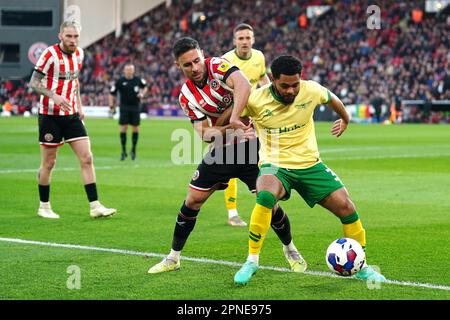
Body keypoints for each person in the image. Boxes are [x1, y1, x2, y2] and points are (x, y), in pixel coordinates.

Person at [147, 38, 306, 274]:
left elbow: (243, 85)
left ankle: (290, 250)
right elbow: (205, 134)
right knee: (192, 200)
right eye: (187, 65)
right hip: (221, 150)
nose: (195, 67)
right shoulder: (186, 96)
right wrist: (231, 123)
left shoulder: (217, 66)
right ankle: (173, 258)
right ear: (178, 66)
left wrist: (229, 119)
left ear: (202, 55)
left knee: (268, 203)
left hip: (253, 147)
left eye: (197, 60)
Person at [230, 55, 386, 285]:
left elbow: (332, 99)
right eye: (285, 86)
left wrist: (345, 118)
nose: (292, 90)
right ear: (272, 80)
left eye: (295, 84)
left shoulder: (311, 90)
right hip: (275, 163)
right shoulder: (256, 100)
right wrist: (239, 126)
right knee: (264, 195)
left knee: (347, 207)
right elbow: (236, 119)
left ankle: (361, 267)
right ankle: (252, 260)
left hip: (310, 164)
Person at [29, 20, 116, 219]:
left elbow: (74, 81)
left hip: (71, 115)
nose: (73, 40)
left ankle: (95, 206)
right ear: (60, 36)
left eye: (76, 36)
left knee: (87, 158)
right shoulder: (50, 55)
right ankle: (44, 206)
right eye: (69, 36)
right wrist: (54, 96)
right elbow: (33, 83)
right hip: (50, 116)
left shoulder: (80, 54)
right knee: (49, 163)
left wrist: (80, 105)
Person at [220, 23, 271, 227]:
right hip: (231, 117)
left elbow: (262, 79)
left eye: (248, 38)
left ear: (253, 39)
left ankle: (263, 201)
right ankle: (232, 213)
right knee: (232, 162)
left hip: (252, 117)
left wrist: (271, 96)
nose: (244, 42)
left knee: (257, 159)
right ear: (234, 41)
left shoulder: (259, 57)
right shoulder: (226, 60)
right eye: (240, 38)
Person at [109, 63, 147, 161]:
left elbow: (145, 87)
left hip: (135, 107)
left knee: (135, 129)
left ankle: (133, 150)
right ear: (124, 71)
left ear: (133, 71)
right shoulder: (120, 81)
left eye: (131, 69)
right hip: (124, 107)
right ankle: (123, 151)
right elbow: (112, 93)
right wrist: (111, 105)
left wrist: (142, 94)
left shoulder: (138, 80)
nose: (129, 71)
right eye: (128, 69)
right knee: (123, 128)